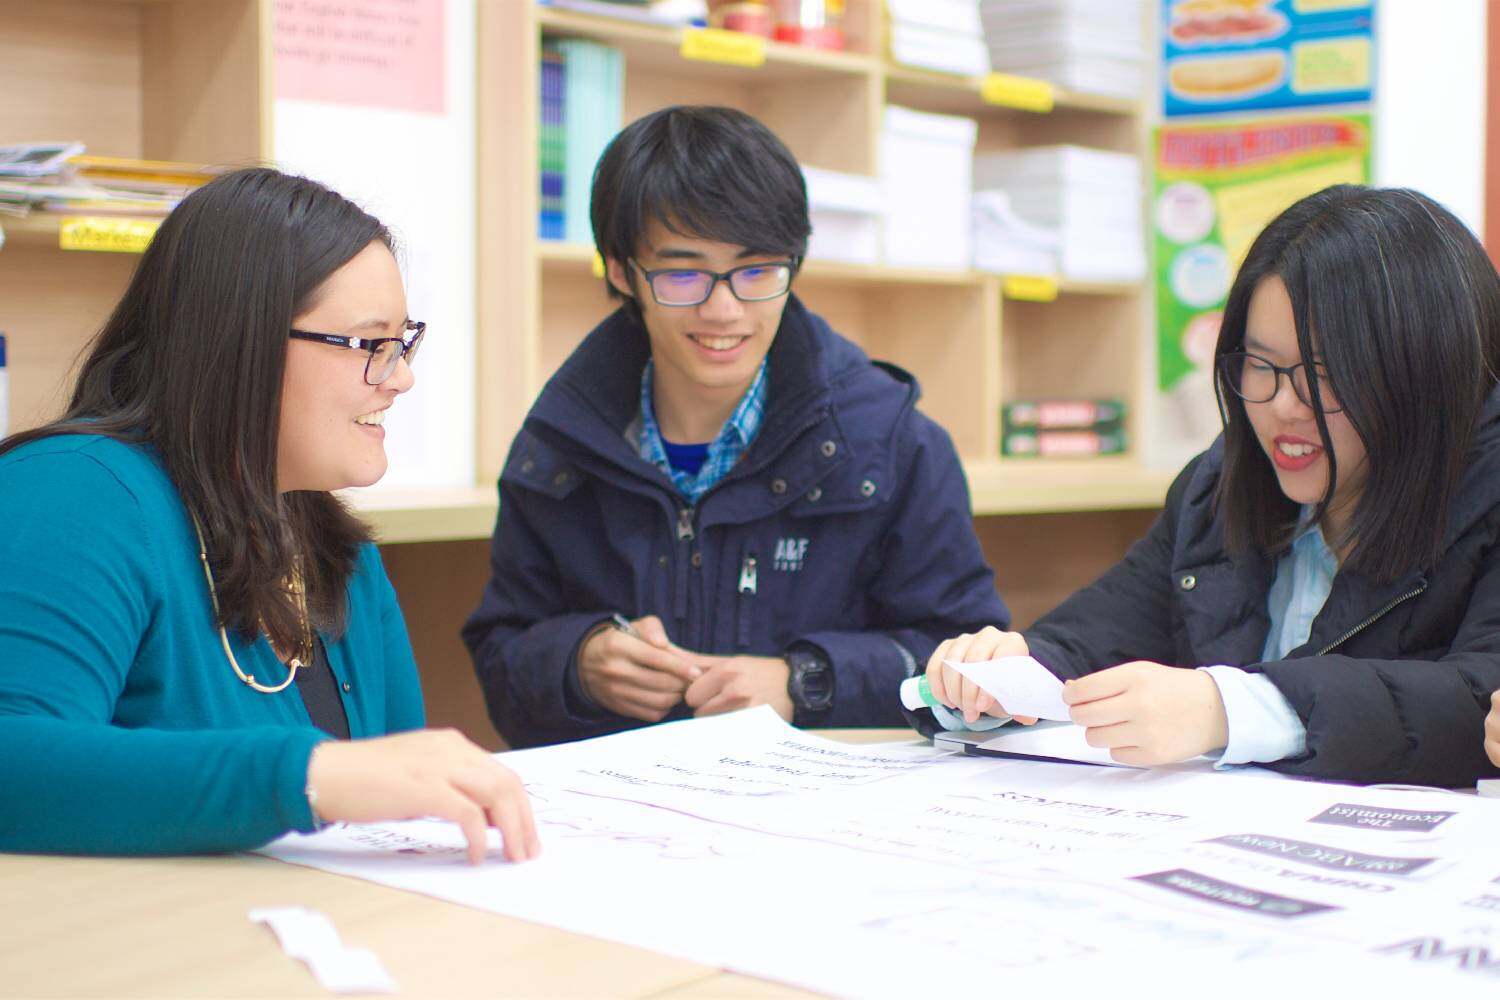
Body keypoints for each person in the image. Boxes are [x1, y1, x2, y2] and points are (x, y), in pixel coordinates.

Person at [0, 167, 538, 863]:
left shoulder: (337, 550)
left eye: (403, 341)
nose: (400, 375)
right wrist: (307, 776)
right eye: (368, 343)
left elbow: (398, 814)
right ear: (239, 342)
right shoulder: (76, 491)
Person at [920, 184, 1500, 788]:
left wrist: (1228, 708)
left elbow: (1478, 697)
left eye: (1323, 374)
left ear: (1425, 371)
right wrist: (1008, 676)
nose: (1281, 406)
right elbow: (1091, 638)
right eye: (1260, 364)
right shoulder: (1221, 482)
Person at [463, 106, 1007, 748]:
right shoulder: (557, 447)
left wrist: (807, 682)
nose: (724, 310)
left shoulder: (895, 443)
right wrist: (577, 665)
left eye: (756, 272)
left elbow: (972, 677)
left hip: (827, 817)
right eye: (683, 273)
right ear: (619, 270)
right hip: (626, 813)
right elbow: (501, 658)